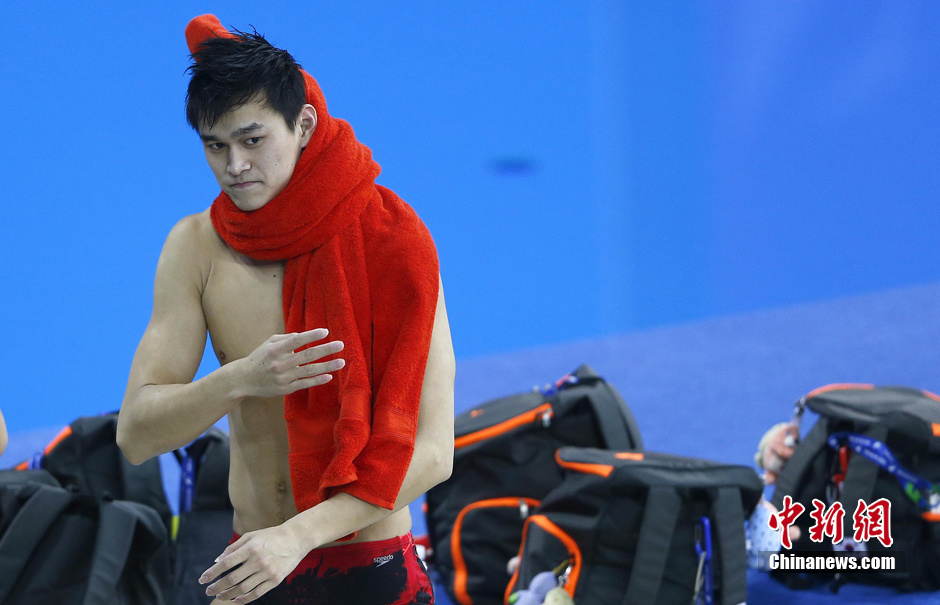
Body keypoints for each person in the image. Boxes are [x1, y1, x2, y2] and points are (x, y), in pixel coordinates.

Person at [117, 15, 455, 605]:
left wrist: (295, 537)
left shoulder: (393, 242)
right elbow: (136, 436)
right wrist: (239, 379)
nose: (235, 166)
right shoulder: (196, 248)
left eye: (252, 140)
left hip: (368, 567)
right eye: (215, 146)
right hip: (253, 568)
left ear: (303, 125)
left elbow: (432, 452)